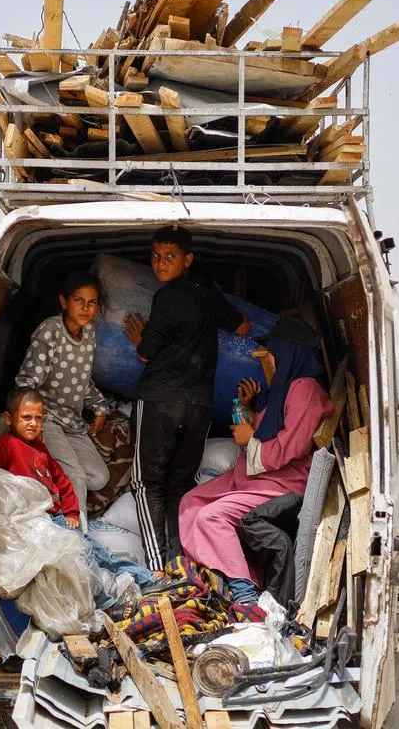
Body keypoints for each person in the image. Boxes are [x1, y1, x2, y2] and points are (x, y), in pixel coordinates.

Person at [122, 226, 250, 570]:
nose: (160, 264)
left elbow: (147, 354)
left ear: (187, 259)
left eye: (169, 257)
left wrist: (139, 338)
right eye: (155, 256)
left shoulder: (165, 298)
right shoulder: (208, 294)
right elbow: (243, 328)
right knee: (180, 485)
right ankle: (182, 565)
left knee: (147, 483)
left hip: (159, 400)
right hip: (199, 406)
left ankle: (156, 569)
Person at [178, 318, 332, 604]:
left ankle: (245, 592)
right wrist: (249, 410)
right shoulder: (287, 387)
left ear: (288, 352)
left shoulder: (305, 389)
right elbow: (269, 427)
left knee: (212, 517)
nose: (269, 360)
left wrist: (249, 439)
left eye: (272, 353)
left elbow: (292, 447)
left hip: (282, 484)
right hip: (257, 476)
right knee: (191, 502)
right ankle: (209, 575)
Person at [0, 388, 157, 612]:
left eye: (38, 418)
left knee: (97, 552)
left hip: (55, 519)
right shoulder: (5, 446)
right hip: (36, 520)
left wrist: (72, 512)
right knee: (85, 555)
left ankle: (147, 581)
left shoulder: (41, 449)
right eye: (26, 418)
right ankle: (109, 602)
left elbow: (63, 482)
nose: (33, 424)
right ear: (9, 418)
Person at [15, 272, 112, 525]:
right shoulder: (49, 331)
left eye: (92, 303)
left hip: (73, 422)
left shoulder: (89, 332)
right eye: (79, 300)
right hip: (47, 420)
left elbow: (82, 380)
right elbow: (26, 384)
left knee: (99, 477)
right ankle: (79, 541)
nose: (86, 308)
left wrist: (100, 408)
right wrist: (32, 428)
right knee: (76, 477)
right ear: (64, 302)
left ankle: (52, 490)